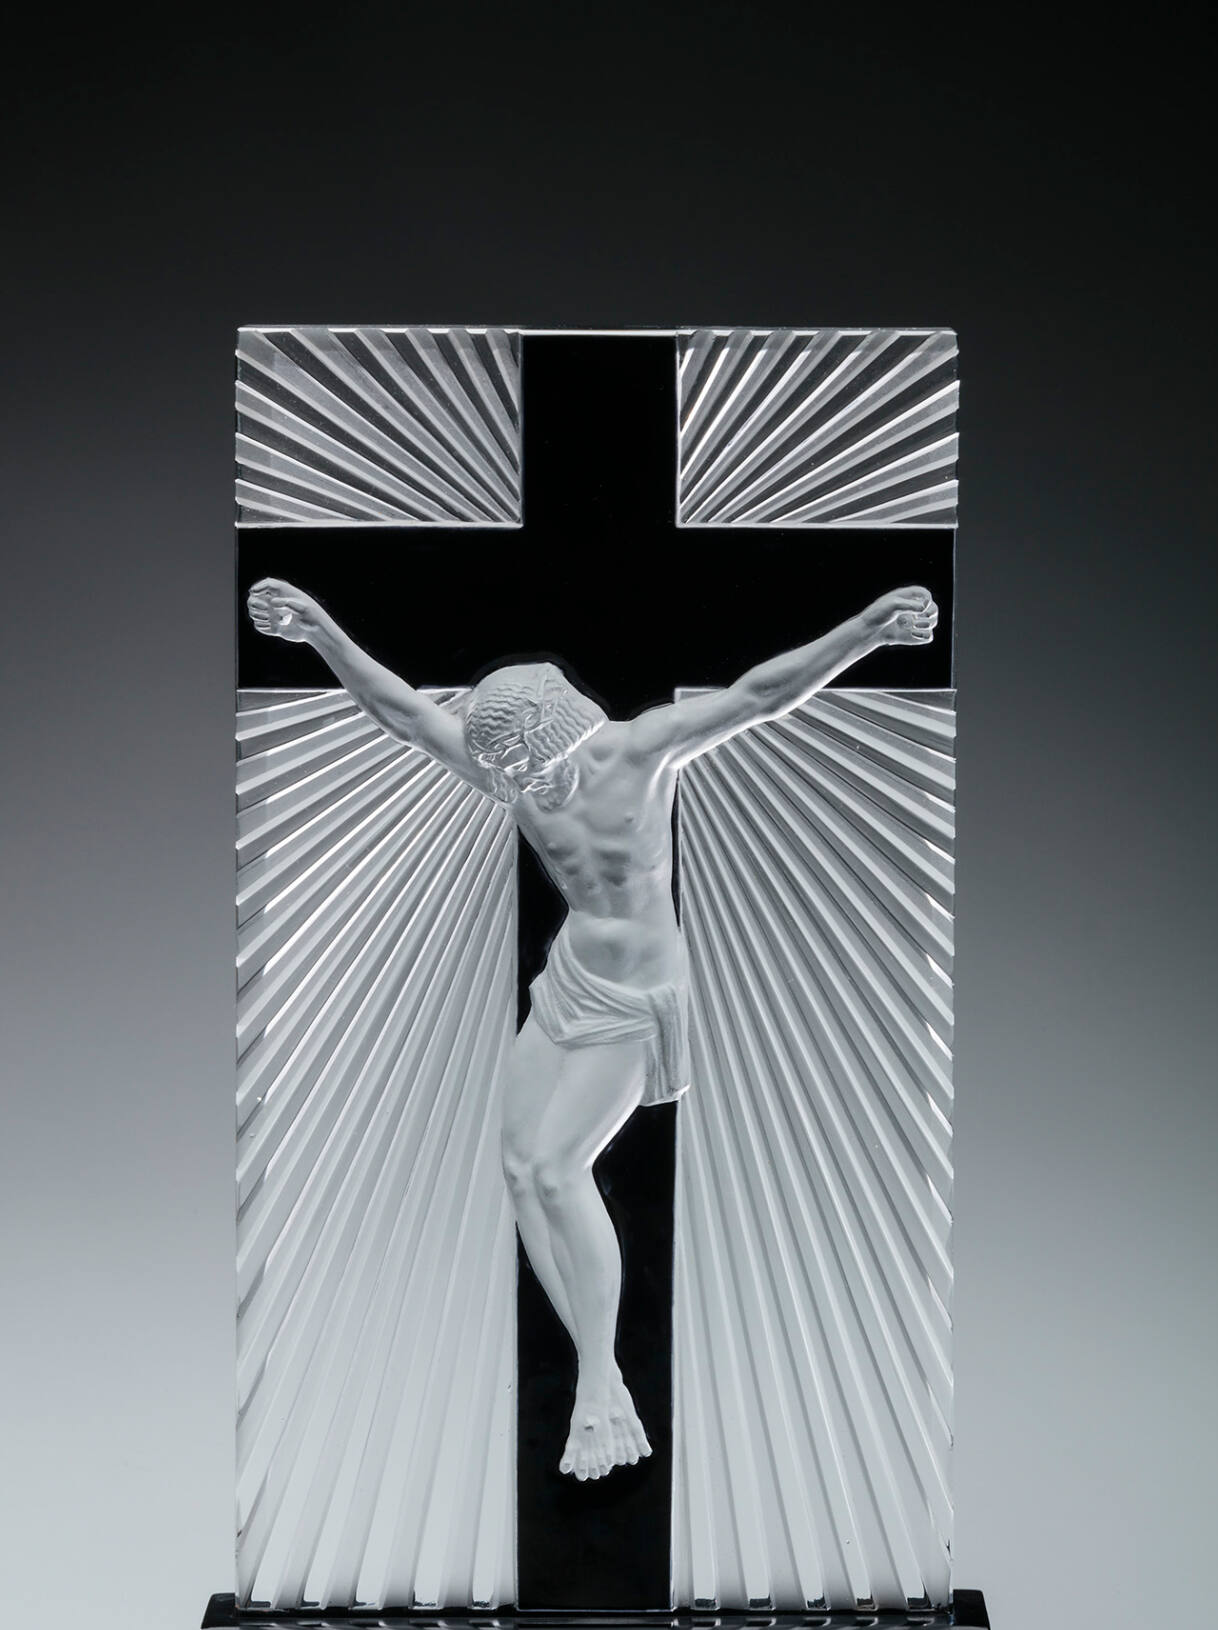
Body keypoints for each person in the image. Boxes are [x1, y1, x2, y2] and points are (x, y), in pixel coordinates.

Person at [247, 578, 939, 1482]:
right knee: (517, 1168)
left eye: (522, 765)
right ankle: (602, 1376)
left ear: (557, 732)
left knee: (556, 1168)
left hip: (637, 995)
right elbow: (408, 717)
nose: (512, 785)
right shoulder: (514, 773)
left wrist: (867, 630)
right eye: (505, 771)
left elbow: (760, 696)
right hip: (570, 976)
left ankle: (596, 1381)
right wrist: (319, 631)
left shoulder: (640, 750)